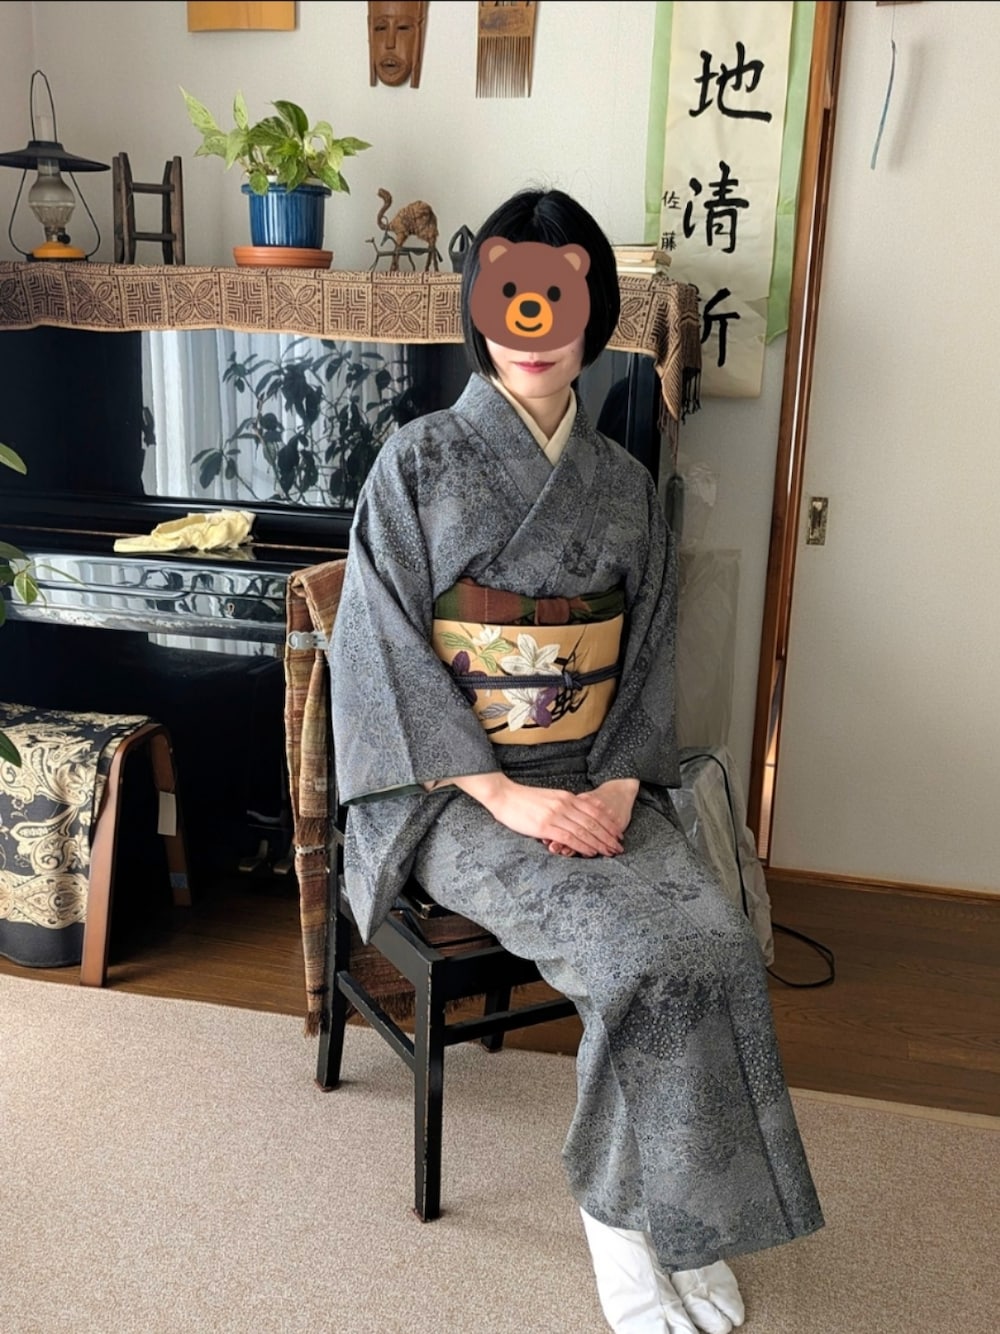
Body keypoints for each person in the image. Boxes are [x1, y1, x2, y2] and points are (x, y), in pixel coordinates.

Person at [330, 187, 823, 1334]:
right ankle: (621, 1232)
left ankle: (682, 1212)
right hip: (458, 793)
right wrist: (505, 793)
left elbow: (645, 655)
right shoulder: (416, 462)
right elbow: (381, 654)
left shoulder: (624, 483)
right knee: (634, 954)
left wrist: (612, 783)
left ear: (591, 314)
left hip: (598, 774)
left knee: (715, 940)